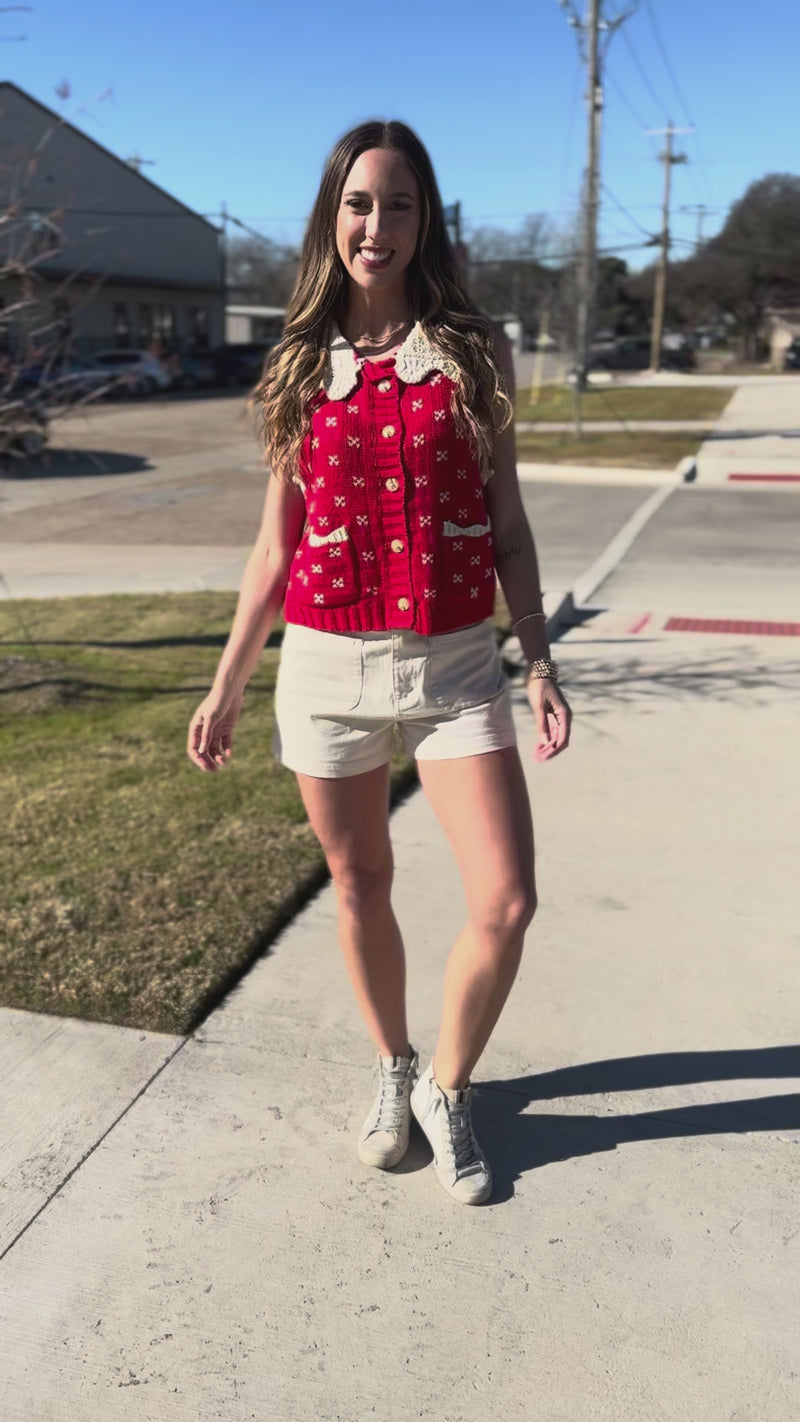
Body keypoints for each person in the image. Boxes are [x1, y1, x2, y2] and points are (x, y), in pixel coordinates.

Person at [187, 120, 571, 1205]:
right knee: (360, 883)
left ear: (424, 221)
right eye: (359, 204)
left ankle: (451, 1087)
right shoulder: (297, 364)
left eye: (397, 205)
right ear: (332, 218)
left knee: (505, 897)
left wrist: (535, 659)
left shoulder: (471, 352)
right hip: (324, 666)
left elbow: (506, 521)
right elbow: (275, 546)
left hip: (454, 665)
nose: (376, 225)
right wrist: (226, 685)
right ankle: (391, 1066)